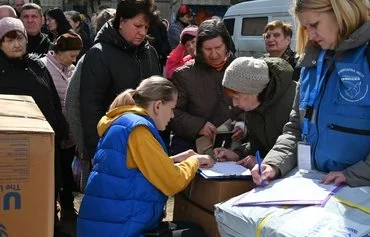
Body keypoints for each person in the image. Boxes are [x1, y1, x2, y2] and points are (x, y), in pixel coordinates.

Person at [251, 0, 370, 187]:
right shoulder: (311, 61)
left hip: (359, 192)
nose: (311, 35)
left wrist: (354, 175)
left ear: (342, 13)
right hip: (317, 186)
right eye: (306, 28)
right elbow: (296, 127)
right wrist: (274, 163)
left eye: (314, 25)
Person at [77, 76, 212, 237]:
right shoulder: (138, 130)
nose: (172, 116)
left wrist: (174, 159)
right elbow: (172, 182)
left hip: (105, 228)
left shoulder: (123, 122)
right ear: (158, 105)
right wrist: (195, 160)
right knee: (194, 234)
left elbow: (132, 169)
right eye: (172, 108)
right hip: (121, 231)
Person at [0, 16, 66, 235]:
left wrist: (60, 128)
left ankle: (47, 224)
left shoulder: (38, 65)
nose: (16, 44)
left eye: (19, 37)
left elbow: (53, 100)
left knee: (47, 187)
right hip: (11, 147)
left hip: (45, 143)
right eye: (9, 39)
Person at [80, 0, 161, 166]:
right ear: (122, 21)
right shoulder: (99, 54)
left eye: (146, 27)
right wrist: (98, 152)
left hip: (148, 143)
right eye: (138, 25)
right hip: (113, 148)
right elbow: (90, 109)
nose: (142, 32)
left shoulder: (149, 52)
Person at [170, 19, 243, 155]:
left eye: (218, 47)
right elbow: (172, 113)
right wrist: (198, 126)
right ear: (199, 49)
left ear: (226, 45)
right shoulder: (184, 75)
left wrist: (243, 124)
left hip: (234, 148)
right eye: (208, 49)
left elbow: (256, 106)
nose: (214, 54)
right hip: (193, 148)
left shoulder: (241, 70)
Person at [214, 57, 297, 169]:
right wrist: (237, 153)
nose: (234, 104)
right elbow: (257, 144)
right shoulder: (254, 106)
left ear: (253, 90)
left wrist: (268, 163)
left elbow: (300, 147)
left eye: (236, 97)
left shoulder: (294, 99)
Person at [40, 32, 83, 222]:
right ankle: (51, 209)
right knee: (53, 172)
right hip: (52, 132)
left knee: (66, 171)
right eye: (71, 55)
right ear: (59, 51)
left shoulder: (72, 69)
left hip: (70, 134)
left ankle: (67, 206)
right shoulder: (43, 66)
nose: (74, 60)